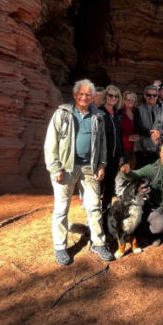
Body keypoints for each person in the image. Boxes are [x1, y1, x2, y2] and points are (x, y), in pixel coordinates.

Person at [44, 79, 114, 265]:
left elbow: (102, 144)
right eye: (81, 94)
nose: (84, 97)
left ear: (92, 97)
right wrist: (55, 168)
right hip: (66, 168)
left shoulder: (97, 116)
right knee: (61, 209)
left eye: (88, 94)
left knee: (94, 207)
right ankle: (60, 247)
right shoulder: (62, 113)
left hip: (89, 168)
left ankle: (98, 243)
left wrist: (102, 164)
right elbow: (50, 143)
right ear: (75, 95)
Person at [99, 84, 124, 213]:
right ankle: (94, 215)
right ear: (105, 96)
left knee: (110, 184)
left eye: (116, 96)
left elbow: (119, 137)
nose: (113, 98)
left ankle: (106, 211)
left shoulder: (116, 115)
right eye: (110, 95)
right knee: (98, 186)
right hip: (102, 157)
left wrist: (121, 156)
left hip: (115, 156)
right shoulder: (99, 113)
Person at [134, 85, 163, 168]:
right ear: (145, 96)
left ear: (157, 96)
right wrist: (151, 134)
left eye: (154, 95)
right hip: (142, 149)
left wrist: (159, 132)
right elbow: (138, 126)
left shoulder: (162, 110)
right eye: (149, 95)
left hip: (158, 148)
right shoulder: (138, 109)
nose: (152, 97)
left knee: (156, 176)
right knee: (142, 176)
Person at [120, 91, 139, 166]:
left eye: (132, 99)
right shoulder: (119, 113)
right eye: (128, 99)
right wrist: (127, 138)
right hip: (124, 147)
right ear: (124, 100)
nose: (130, 101)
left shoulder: (137, 112)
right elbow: (116, 132)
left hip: (137, 147)